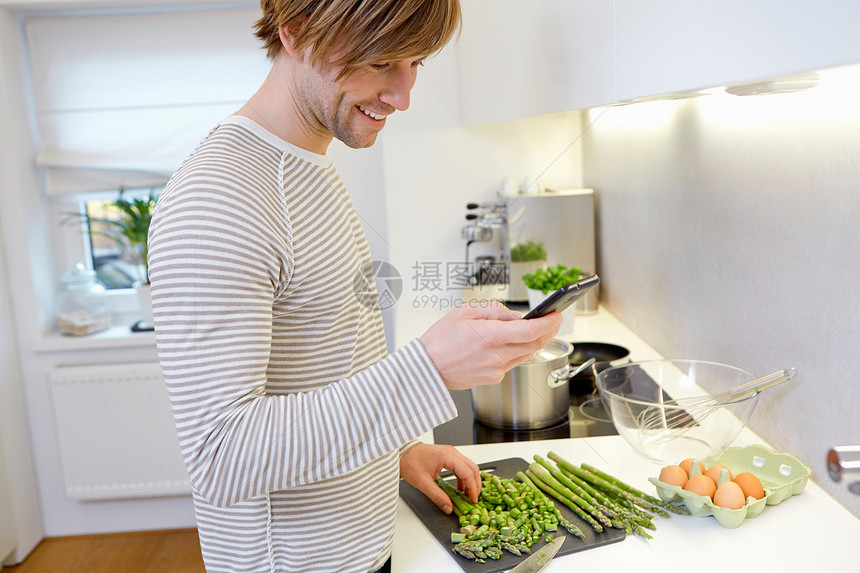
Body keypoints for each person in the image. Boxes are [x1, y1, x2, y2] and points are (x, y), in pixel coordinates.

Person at [147, 1, 563, 571]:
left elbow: (324, 369)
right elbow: (223, 457)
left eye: (416, 61)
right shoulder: (219, 200)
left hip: (364, 548)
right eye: (382, 60)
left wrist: (399, 451)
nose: (402, 95)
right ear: (295, 33)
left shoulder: (306, 165)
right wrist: (429, 371)